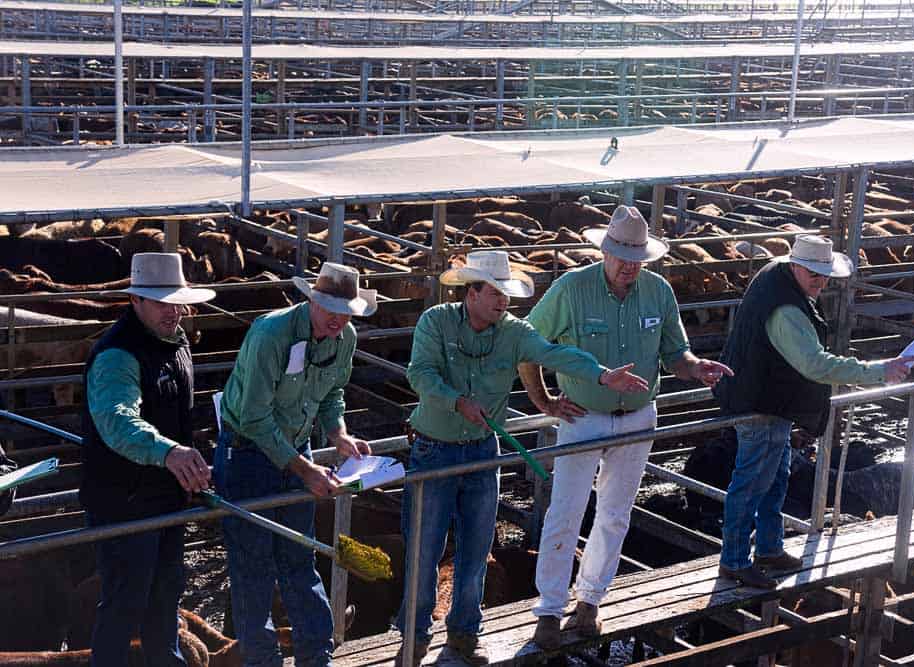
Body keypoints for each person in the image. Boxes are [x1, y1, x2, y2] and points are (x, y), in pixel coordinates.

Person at [396, 250, 648, 666]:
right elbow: (419, 373)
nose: (502, 301)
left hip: (481, 450)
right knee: (424, 548)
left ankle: (464, 634)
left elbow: (553, 353)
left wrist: (602, 374)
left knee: (477, 549)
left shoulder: (513, 331)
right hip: (434, 450)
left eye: (505, 294)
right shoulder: (435, 322)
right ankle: (415, 635)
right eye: (494, 293)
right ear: (470, 293)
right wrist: (457, 401)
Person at [519, 205, 733, 649]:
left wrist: (695, 369)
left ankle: (591, 602)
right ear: (603, 251)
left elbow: (676, 352)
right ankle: (549, 609)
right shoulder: (570, 289)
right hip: (582, 416)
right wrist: (543, 401)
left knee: (615, 514)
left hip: (637, 417)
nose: (629, 266)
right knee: (565, 512)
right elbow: (527, 343)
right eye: (621, 256)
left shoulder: (658, 291)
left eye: (637, 258)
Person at [713, 235, 914, 589]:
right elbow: (815, 365)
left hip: (770, 400)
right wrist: (879, 371)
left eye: (824, 275)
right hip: (760, 404)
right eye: (813, 274)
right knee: (752, 483)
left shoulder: (778, 278)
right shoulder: (787, 310)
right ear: (795, 267)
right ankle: (733, 561)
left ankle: (769, 548)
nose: (820, 282)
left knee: (774, 480)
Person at [213, 262, 376, 667]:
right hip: (247, 453)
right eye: (330, 308)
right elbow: (253, 417)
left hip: (293, 447)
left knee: (300, 557)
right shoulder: (271, 334)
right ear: (311, 301)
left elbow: (333, 393)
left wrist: (339, 434)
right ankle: (262, 661)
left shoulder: (345, 338)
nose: (339, 318)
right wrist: (305, 469)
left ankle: (316, 656)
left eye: (347, 311)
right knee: (254, 567)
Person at [80, 252, 216, 667]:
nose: (173, 310)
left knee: (164, 598)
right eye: (161, 302)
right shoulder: (117, 353)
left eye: (177, 301)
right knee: (125, 603)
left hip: (164, 496)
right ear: (136, 300)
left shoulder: (176, 343)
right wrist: (169, 452)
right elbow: (118, 420)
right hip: (125, 500)